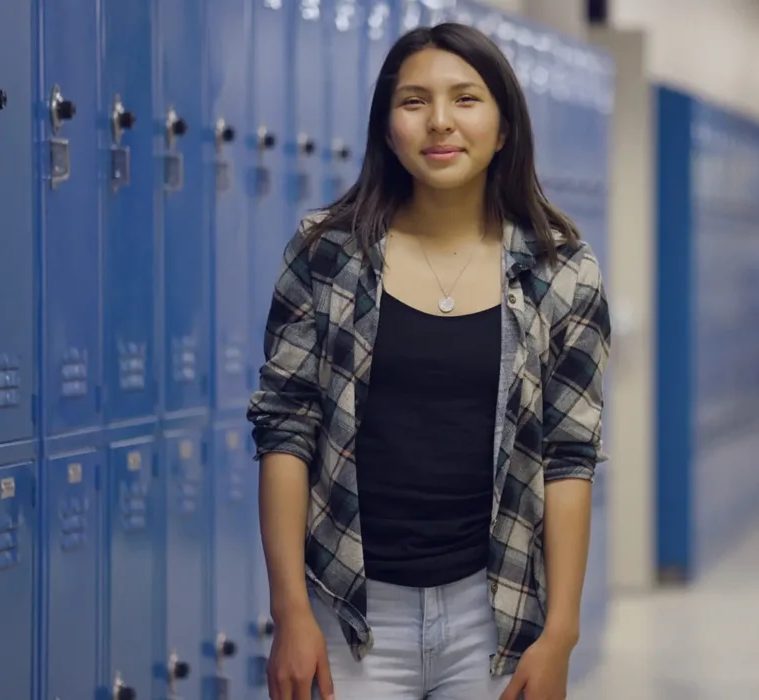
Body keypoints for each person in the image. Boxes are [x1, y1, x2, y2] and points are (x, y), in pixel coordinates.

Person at [247, 21, 610, 700]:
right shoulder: (327, 256)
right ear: (388, 128)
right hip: (352, 611)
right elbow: (285, 429)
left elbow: (570, 454)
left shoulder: (561, 271)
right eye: (414, 102)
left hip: (493, 610)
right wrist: (290, 610)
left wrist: (559, 633)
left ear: (504, 127)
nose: (440, 122)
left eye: (465, 99)